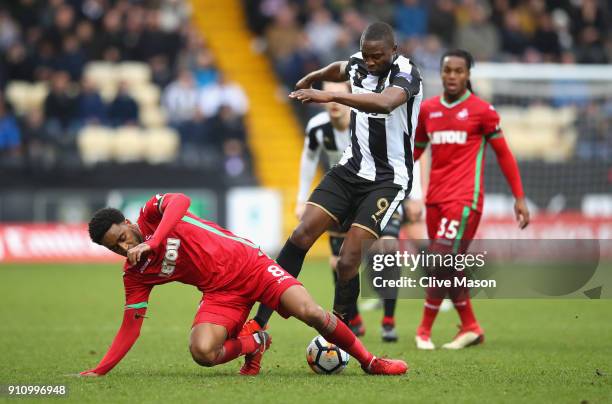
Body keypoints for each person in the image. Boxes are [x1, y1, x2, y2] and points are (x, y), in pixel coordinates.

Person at [242, 21, 423, 358]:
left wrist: (327, 93)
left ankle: (338, 332)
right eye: (366, 56)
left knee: (348, 259)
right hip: (350, 168)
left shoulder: (406, 74)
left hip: (388, 179)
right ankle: (259, 322)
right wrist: (314, 75)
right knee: (300, 236)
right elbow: (342, 67)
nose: (369, 63)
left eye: (377, 57)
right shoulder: (359, 62)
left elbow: (384, 103)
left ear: (394, 51)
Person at [80, 193, 408, 377]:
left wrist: (154, 242)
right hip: (221, 294)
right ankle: (256, 342)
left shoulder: (151, 214)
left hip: (253, 265)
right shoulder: (135, 273)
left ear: (127, 223)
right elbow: (130, 328)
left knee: (311, 312)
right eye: (114, 248)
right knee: (202, 351)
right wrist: (100, 370)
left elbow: (180, 201)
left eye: (122, 238)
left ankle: (371, 362)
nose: (123, 248)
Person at [413, 49, 530, 350]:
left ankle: (423, 330)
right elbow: (416, 152)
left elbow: (504, 154)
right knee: (451, 264)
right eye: (447, 70)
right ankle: (471, 327)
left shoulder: (482, 111)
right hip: (434, 199)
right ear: (441, 73)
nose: (452, 76)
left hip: (465, 199)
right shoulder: (428, 110)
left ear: (468, 75)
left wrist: (519, 197)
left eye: (458, 71)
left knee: (440, 258)